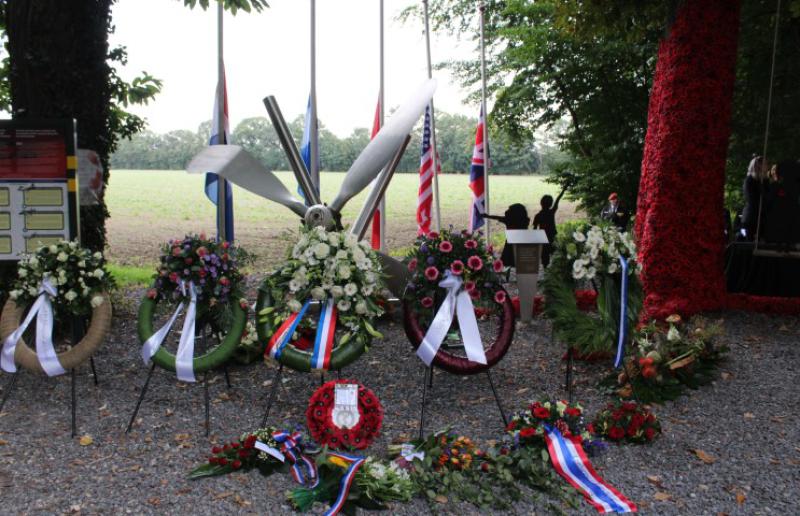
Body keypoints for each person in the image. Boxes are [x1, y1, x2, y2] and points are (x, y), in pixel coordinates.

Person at [483, 203, 530, 268]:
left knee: (507, 261)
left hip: (510, 243)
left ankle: (507, 273)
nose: (506, 211)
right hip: (521, 243)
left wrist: (487, 216)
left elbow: (497, 217)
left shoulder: (508, 220)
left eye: (509, 210)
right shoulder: (525, 220)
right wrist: (487, 216)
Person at [532, 185, 567, 267]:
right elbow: (557, 200)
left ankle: (545, 269)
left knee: (545, 255)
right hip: (552, 236)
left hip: (543, 238)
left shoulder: (537, 215)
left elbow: (534, 229)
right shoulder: (551, 212)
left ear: (541, 203)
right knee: (556, 253)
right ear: (551, 204)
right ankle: (556, 268)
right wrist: (563, 190)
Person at [740, 156, 767, 240]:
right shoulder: (749, 180)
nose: (767, 166)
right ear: (758, 165)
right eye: (764, 164)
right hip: (751, 218)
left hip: (763, 218)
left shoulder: (765, 181)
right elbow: (751, 199)